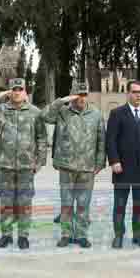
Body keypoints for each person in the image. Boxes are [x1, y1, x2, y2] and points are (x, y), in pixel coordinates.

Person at [0, 78, 47, 250]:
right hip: (6, 165)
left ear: (25, 92)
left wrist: (40, 161)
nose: (17, 92)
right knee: (6, 202)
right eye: (14, 90)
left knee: (25, 202)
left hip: (26, 166)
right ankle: (6, 235)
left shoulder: (35, 112)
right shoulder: (1, 109)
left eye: (20, 89)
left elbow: (42, 138)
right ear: (10, 92)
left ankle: (23, 235)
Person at [42, 82, 106, 249]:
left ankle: (81, 235)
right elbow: (45, 116)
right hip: (66, 165)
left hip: (87, 167)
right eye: (78, 95)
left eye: (84, 95)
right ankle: (66, 234)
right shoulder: (62, 112)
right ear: (72, 96)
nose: (81, 98)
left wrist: (100, 163)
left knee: (84, 203)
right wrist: (61, 101)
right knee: (66, 203)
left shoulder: (96, 114)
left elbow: (101, 140)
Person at [106, 80, 140, 249]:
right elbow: (110, 140)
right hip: (122, 168)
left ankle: (138, 234)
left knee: (139, 204)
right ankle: (118, 234)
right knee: (120, 204)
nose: (138, 95)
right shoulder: (117, 113)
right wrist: (114, 161)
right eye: (135, 92)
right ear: (128, 93)